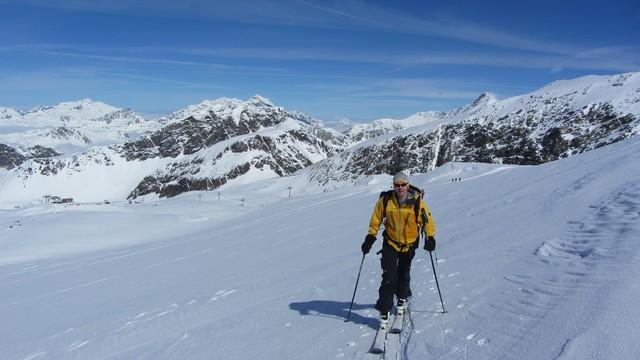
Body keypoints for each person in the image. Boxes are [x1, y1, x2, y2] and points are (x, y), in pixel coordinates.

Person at [361, 172, 436, 328]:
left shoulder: (417, 202)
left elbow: (427, 220)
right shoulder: (386, 201)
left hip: (409, 244)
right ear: (393, 186)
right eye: (397, 185)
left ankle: (402, 296)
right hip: (391, 242)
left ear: (408, 185)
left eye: (403, 184)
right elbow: (375, 220)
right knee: (389, 275)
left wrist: (430, 237)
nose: (400, 187)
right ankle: (385, 309)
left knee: (403, 273)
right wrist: (370, 237)